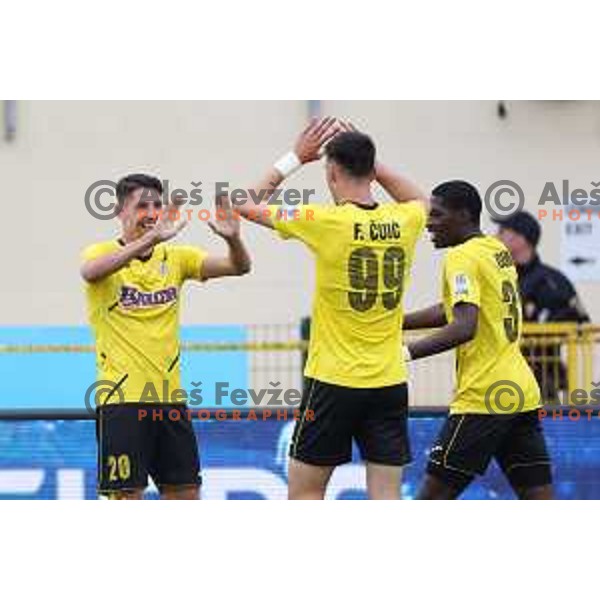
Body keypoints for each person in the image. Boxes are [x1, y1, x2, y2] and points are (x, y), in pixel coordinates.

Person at [235, 118, 428, 499]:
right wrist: (373, 162)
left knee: (306, 495)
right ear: (371, 171)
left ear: (332, 172)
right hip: (388, 381)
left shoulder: (325, 220)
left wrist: (295, 158)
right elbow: (422, 200)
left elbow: (244, 202)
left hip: (333, 381)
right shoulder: (405, 219)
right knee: (386, 498)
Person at [81, 174, 251, 499]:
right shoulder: (101, 252)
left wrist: (234, 239)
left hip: (170, 401)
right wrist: (149, 240)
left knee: (187, 494)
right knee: (126, 498)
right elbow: (90, 272)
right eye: (141, 205)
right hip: (122, 402)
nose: (151, 212)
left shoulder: (177, 259)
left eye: (157, 205)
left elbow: (239, 266)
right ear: (119, 211)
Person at [404, 181, 553, 500]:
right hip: (520, 393)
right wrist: (397, 322)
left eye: (437, 215)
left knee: (429, 500)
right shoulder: (496, 250)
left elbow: (464, 326)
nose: (428, 223)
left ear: (464, 215)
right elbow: (457, 310)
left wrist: (403, 354)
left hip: (484, 396)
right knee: (540, 501)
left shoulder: (461, 257)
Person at [495, 211, 589, 402]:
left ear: (520, 239)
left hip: (542, 380)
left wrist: (543, 334)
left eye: (502, 232)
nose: (496, 237)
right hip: (500, 380)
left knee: (547, 430)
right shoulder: (500, 277)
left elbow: (582, 324)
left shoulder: (552, 281)